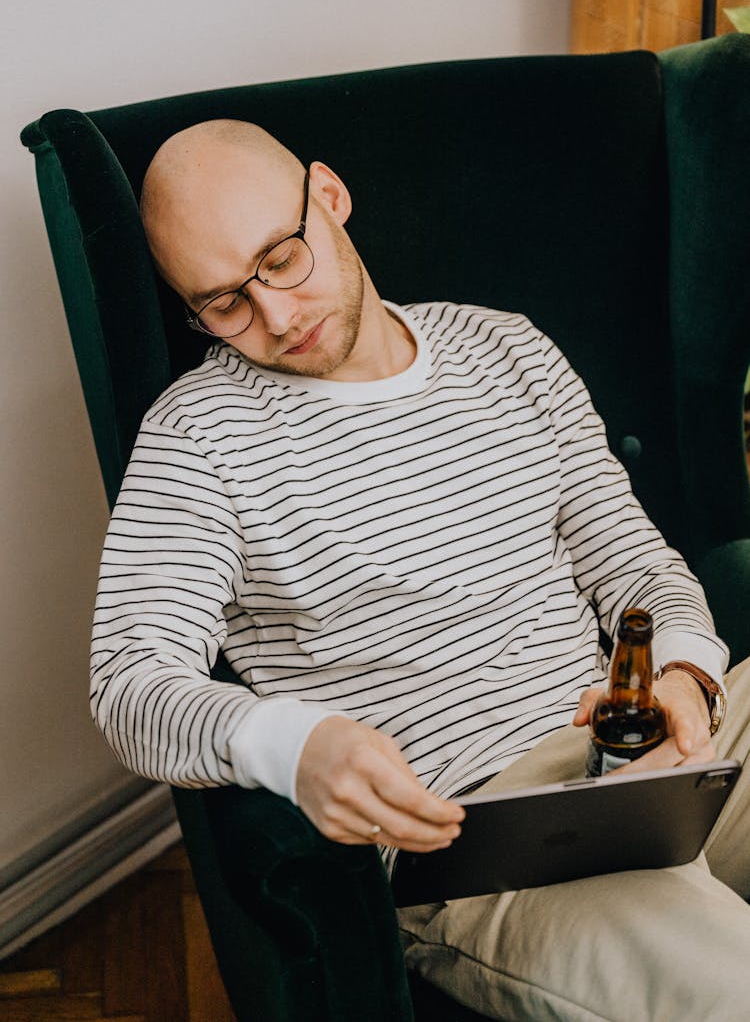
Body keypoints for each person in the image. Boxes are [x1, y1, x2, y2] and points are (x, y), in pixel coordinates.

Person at [91, 119, 750, 1021]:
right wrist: (293, 743)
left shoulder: (508, 348)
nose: (275, 317)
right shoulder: (199, 435)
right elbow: (130, 686)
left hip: (641, 747)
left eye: (281, 259)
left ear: (329, 196)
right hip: (483, 837)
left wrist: (685, 673)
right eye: (222, 302)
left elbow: (636, 563)